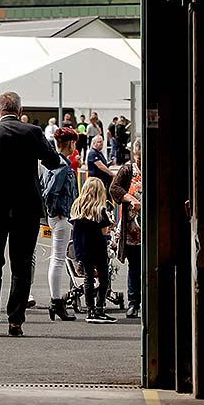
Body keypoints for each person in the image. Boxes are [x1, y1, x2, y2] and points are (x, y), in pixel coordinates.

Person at [0, 92, 62, 337]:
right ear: (20, 109)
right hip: (26, 206)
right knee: (21, 266)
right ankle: (16, 321)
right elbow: (53, 161)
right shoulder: (32, 132)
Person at [41, 127, 80, 322]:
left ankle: (56, 301)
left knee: (57, 259)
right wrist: (55, 210)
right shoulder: (63, 167)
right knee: (58, 259)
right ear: (70, 143)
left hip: (58, 216)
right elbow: (49, 192)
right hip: (61, 216)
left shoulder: (53, 163)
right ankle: (56, 302)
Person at [71, 177, 117, 324]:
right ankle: (99, 309)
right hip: (98, 247)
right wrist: (110, 224)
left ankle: (89, 310)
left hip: (82, 248)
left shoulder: (77, 207)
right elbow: (104, 231)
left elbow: (75, 230)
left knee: (88, 279)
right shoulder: (100, 210)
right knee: (104, 279)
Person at [110, 138, 142, 318]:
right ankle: (133, 303)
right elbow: (114, 189)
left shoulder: (156, 167)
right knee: (135, 267)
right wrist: (130, 198)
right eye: (138, 156)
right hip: (132, 231)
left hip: (152, 229)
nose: (140, 159)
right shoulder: (127, 170)